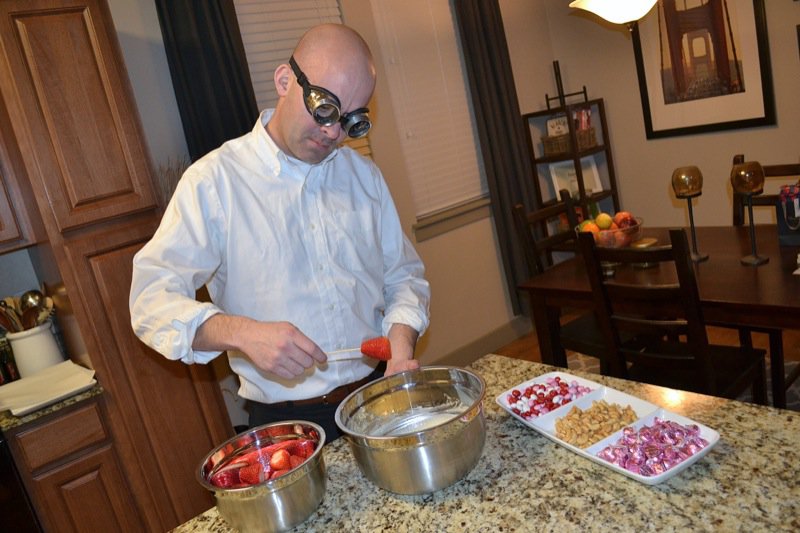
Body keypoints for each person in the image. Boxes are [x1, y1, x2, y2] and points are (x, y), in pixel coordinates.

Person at [129, 23, 430, 442]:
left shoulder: (364, 177)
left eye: (351, 121)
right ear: (285, 81)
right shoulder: (214, 182)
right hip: (285, 429)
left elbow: (404, 278)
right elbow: (150, 301)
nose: (332, 133)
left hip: (376, 399)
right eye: (324, 109)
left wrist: (400, 347)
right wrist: (242, 333)